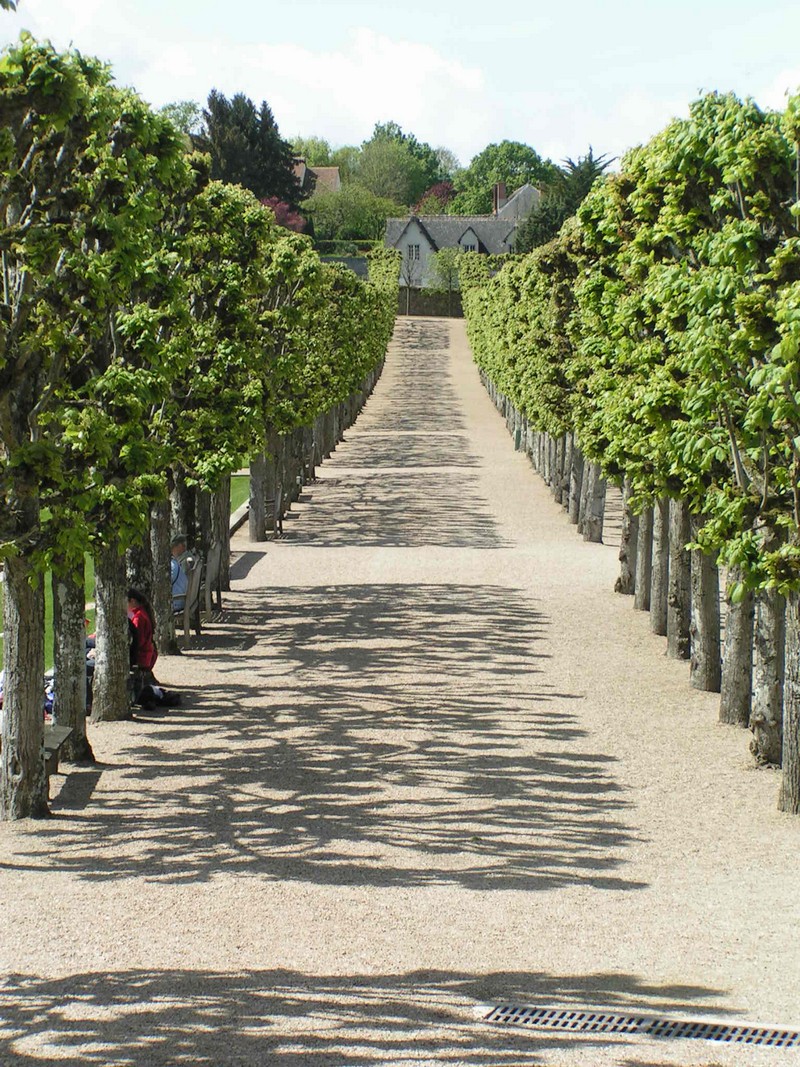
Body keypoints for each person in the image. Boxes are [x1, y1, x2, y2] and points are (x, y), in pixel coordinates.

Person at [170, 534, 190, 611]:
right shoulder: (176, 563)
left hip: (177, 603)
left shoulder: (173, 565)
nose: (184, 547)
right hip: (182, 600)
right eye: (183, 545)